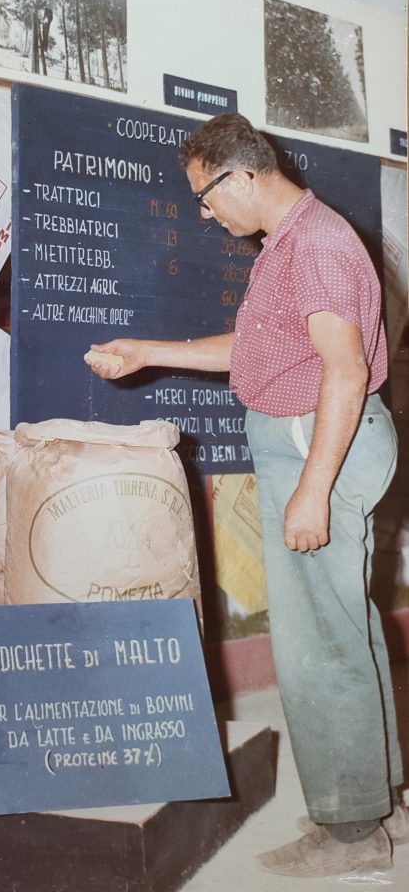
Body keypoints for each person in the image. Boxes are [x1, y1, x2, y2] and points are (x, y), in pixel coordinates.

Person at [87, 112, 405, 878]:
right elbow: (259, 349)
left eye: (205, 196)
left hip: (313, 442)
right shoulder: (286, 247)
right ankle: (372, 794)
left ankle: (351, 834)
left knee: (314, 644)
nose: (204, 213)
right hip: (306, 434)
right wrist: (146, 352)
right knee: (342, 627)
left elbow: (344, 372)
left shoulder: (319, 246)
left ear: (244, 176)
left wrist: (311, 491)